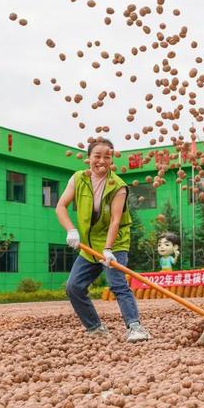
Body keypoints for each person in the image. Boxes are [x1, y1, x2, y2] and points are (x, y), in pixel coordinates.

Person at [56, 138, 150, 342]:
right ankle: (95, 328)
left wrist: (108, 249)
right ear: (88, 158)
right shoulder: (78, 179)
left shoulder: (118, 186)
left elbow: (116, 220)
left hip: (114, 242)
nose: (101, 161)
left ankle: (135, 327)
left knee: (117, 283)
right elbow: (60, 206)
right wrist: (71, 230)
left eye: (107, 157)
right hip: (89, 246)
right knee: (74, 287)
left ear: (112, 159)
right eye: (97, 156)